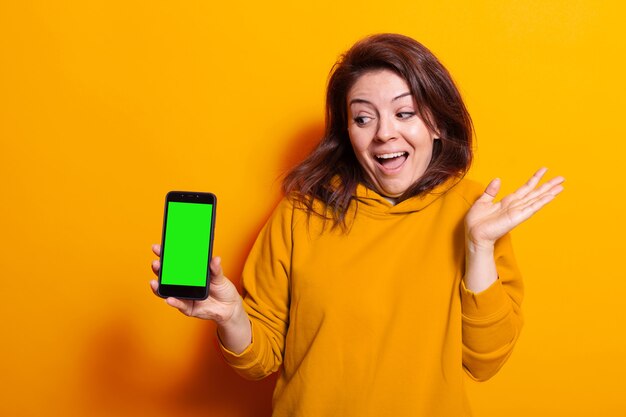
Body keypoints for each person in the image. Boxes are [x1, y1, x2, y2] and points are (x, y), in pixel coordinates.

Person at [150, 33, 564, 416]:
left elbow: (485, 359)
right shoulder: (301, 213)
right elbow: (260, 361)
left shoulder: (476, 213)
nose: (385, 133)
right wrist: (231, 316)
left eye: (405, 113)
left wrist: (478, 247)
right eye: (363, 118)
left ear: (436, 123)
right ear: (347, 131)